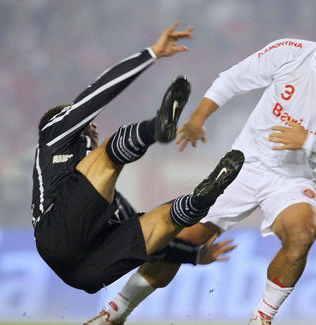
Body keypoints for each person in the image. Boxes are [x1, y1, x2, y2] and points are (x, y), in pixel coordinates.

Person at [87, 2, 316, 324]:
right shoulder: (289, 52)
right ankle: (115, 313)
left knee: (304, 232)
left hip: (291, 179)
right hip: (242, 166)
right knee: (180, 239)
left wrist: (307, 142)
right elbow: (232, 79)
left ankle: (261, 318)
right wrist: (197, 119)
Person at [31, 21, 245, 300]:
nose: (93, 125)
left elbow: (150, 239)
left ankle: (199, 201)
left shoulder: (103, 200)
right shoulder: (53, 132)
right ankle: (156, 128)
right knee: (108, 156)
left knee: (162, 220)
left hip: (85, 274)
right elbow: (96, 94)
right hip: (56, 237)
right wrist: (152, 53)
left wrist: (194, 255)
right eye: (87, 124)